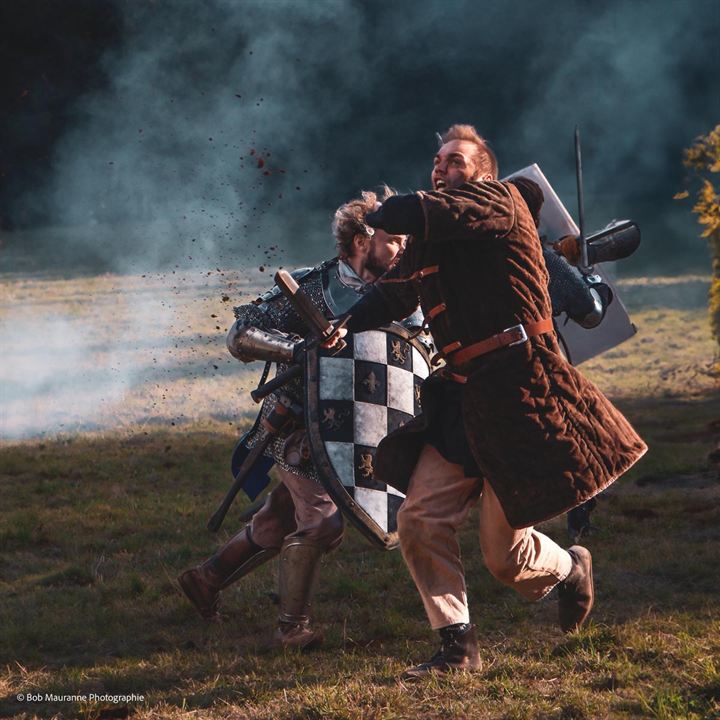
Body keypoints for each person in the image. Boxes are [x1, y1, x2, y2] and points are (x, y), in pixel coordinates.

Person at [326, 124, 647, 678]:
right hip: (464, 395)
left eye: (455, 161)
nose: (441, 168)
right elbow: (396, 291)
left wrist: (374, 216)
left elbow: (413, 213)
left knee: (505, 556)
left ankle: (570, 570)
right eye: (437, 160)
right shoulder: (433, 236)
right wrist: (345, 322)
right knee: (421, 517)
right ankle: (458, 646)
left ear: (484, 173)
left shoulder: (500, 202)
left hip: (522, 386)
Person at [177, 189, 406, 649]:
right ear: (362, 241)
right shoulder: (312, 287)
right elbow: (240, 334)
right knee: (321, 523)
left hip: (362, 432)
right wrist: (295, 348)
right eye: (395, 240)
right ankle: (290, 628)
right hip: (298, 426)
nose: (403, 250)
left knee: (278, 520)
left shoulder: (400, 294)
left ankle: (205, 579)